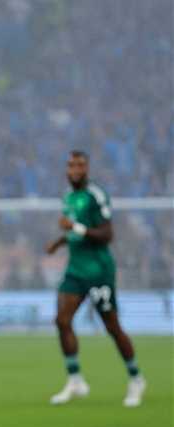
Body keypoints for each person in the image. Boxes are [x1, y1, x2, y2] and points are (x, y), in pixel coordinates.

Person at [46, 151, 146, 407]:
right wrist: (59, 243)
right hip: (75, 269)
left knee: (112, 326)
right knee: (62, 320)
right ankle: (75, 380)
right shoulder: (68, 196)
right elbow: (74, 227)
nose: (75, 169)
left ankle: (135, 378)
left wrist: (74, 229)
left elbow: (107, 234)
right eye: (71, 165)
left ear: (87, 168)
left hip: (99, 270)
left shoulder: (97, 195)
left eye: (79, 165)